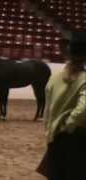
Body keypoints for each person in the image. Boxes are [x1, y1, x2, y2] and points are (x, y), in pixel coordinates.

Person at [42, 40, 86, 179]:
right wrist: (69, 124)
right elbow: (83, 109)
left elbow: (47, 108)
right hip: (77, 137)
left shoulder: (54, 78)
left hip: (54, 135)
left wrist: (50, 128)